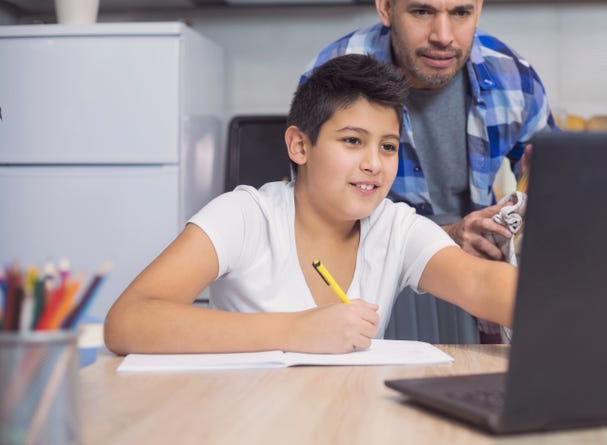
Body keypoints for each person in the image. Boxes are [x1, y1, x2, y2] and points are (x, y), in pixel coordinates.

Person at [103, 55, 516, 355]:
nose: (374, 163)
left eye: (388, 146)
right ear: (300, 145)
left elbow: (481, 284)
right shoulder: (244, 216)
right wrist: (295, 331)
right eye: (352, 141)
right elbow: (128, 321)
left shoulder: (396, 227)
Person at [301, 0, 556, 261]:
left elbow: (554, 181)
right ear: (386, 7)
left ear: (478, 8)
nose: (443, 36)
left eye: (461, 13)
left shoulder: (513, 78)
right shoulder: (334, 78)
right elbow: (317, 219)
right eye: (422, 12)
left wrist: (542, 181)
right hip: (368, 271)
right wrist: (446, 237)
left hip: (476, 270)